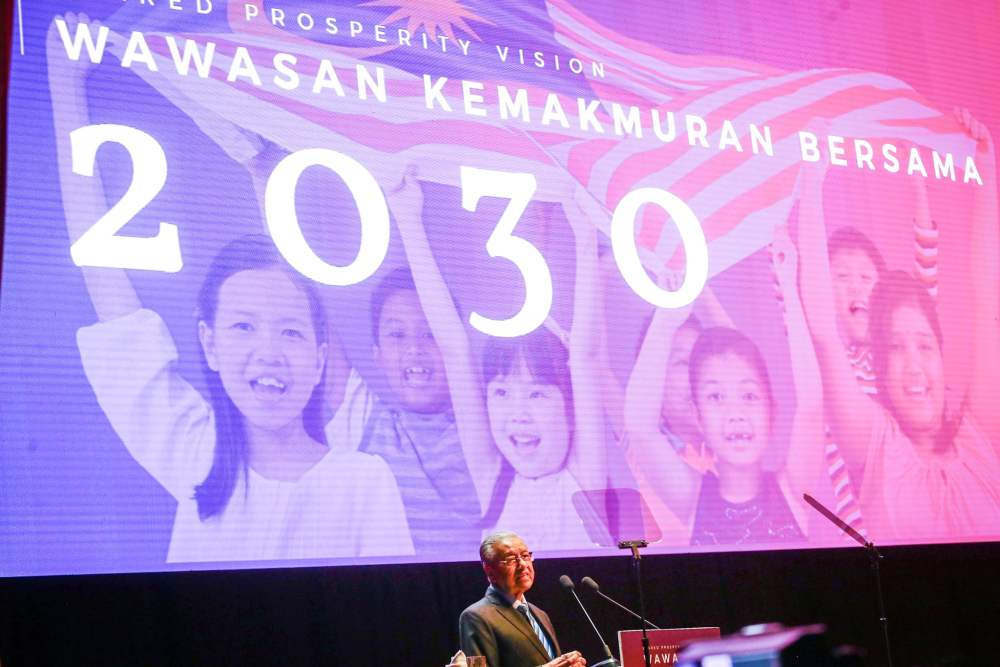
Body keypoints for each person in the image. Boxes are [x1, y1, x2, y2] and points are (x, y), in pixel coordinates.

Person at [49, 14, 413, 562]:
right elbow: (102, 268)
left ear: (320, 356)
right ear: (210, 342)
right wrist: (63, 82)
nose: (268, 354)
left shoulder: (363, 479)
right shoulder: (193, 453)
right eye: (243, 326)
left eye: (291, 332)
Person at [798, 108, 1000, 540]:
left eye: (925, 346)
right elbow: (819, 328)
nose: (913, 364)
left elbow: (989, 303)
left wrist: (984, 174)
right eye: (893, 347)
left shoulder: (980, 434)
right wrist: (811, 181)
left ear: (943, 360)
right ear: (880, 368)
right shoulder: (876, 446)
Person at [382, 172, 611, 551]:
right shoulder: (494, 479)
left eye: (537, 394)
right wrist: (408, 219)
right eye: (502, 391)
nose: (517, 413)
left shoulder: (582, 480)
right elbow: (455, 349)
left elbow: (584, 357)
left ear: (570, 408)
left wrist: (585, 236)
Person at [624, 230, 832, 546]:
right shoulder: (691, 498)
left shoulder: (793, 490)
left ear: (772, 410)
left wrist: (789, 287)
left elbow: (812, 402)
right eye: (716, 397)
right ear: (698, 415)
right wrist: (666, 321)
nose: (735, 413)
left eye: (749, 396)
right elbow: (640, 426)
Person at [459, 531, 587, 667]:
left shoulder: (540, 614)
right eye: (511, 559)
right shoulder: (476, 617)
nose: (523, 565)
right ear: (490, 571)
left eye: (525, 556)